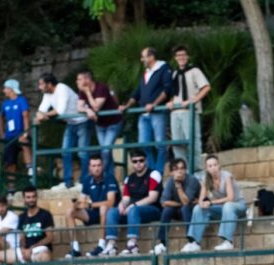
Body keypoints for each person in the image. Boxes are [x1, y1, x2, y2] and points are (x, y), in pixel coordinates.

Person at [0, 185, 53, 265]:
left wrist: (31, 248)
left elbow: (50, 238)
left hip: (39, 249)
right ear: (24, 199)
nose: (31, 199)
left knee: (46, 258)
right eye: (28, 197)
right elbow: (21, 237)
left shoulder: (45, 215)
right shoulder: (21, 217)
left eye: (33, 197)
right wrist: (23, 249)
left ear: (36, 197)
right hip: (23, 251)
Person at [35, 73, 92, 191]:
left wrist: (44, 115)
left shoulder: (62, 89)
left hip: (82, 121)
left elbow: (60, 110)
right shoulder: (47, 94)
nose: (39, 87)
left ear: (49, 84)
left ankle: (84, 181)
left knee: (83, 153)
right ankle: (68, 182)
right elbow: (41, 110)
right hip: (71, 123)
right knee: (65, 152)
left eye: (41, 84)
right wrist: (40, 115)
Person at [101, 149, 162, 256]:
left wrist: (133, 206)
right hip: (134, 211)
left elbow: (152, 198)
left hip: (153, 209)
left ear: (146, 160)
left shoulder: (154, 174)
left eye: (141, 160)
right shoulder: (129, 179)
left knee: (133, 210)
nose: (138, 164)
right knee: (112, 212)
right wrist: (121, 205)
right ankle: (111, 245)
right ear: (131, 162)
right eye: (135, 161)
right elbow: (126, 198)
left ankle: (132, 244)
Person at [122, 47, 172, 175]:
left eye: (143, 56)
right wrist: (126, 105)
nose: (141, 59)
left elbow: (167, 90)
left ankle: (158, 173)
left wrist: (154, 104)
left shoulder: (164, 69)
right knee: (144, 145)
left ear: (151, 57)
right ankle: (153, 173)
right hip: (143, 114)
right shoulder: (146, 73)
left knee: (160, 144)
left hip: (158, 113)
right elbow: (137, 92)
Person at [182, 154, 247, 252]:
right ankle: (195, 243)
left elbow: (230, 198)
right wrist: (201, 203)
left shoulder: (227, 176)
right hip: (222, 208)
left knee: (228, 206)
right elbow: (202, 198)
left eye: (215, 165)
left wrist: (211, 202)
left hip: (237, 205)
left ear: (219, 165)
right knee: (198, 208)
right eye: (210, 166)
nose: (213, 168)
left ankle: (228, 242)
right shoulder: (206, 179)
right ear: (206, 168)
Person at [65, 154, 119, 259]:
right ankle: (75, 248)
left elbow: (111, 202)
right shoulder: (87, 180)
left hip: (110, 214)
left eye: (99, 165)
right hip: (94, 213)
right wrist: (76, 205)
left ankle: (101, 245)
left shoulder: (109, 178)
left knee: (103, 208)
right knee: (69, 211)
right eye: (93, 166)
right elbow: (82, 200)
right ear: (89, 167)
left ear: (102, 166)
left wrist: (90, 205)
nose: (96, 168)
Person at [168, 45, 210, 171]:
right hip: (175, 112)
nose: (181, 57)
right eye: (178, 55)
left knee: (193, 142)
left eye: (183, 55)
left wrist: (192, 101)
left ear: (187, 57)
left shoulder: (194, 71)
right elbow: (174, 93)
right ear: (175, 58)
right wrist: (170, 102)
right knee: (177, 144)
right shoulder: (174, 73)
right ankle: (182, 171)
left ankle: (196, 170)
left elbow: (206, 87)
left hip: (189, 111)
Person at [76, 68, 123, 180]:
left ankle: (103, 176)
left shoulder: (101, 88)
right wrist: (88, 110)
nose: (77, 82)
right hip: (100, 125)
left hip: (113, 122)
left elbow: (96, 106)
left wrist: (87, 93)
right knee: (105, 151)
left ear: (87, 79)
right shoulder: (82, 91)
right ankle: (110, 176)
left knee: (105, 150)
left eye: (79, 79)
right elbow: (79, 107)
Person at [154, 158, 201, 255]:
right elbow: (164, 202)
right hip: (180, 209)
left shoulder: (192, 180)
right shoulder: (170, 181)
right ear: (171, 173)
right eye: (176, 169)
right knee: (167, 210)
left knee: (185, 208)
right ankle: (163, 244)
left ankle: (192, 241)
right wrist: (179, 204)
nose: (180, 171)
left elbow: (186, 202)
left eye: (182, 168)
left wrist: (178, 185)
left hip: (193, 210)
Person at [0, 79, 31, 192]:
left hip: (20, 133)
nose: (3, 91)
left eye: (5, 88)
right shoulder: (5, 104)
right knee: (10, 162)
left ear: (11, 89)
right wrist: (2, 133)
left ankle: (30, 171)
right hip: (9, 136)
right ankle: (11, 187)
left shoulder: (21, 100)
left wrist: (26, 132)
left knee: (25, 144)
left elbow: (25, 115)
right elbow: (0, 117)